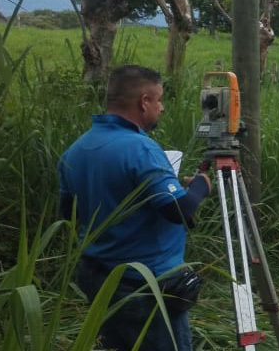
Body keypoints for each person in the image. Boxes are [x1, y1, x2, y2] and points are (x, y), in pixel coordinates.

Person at [59, 65, 211, 351]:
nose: (162, 108)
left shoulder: (77, 148)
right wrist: (201, 186)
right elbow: (178, 210)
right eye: (159, 99)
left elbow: (69, 213)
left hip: (98, 277)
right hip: (145, 284)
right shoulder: (140, 148)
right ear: (144, 101)